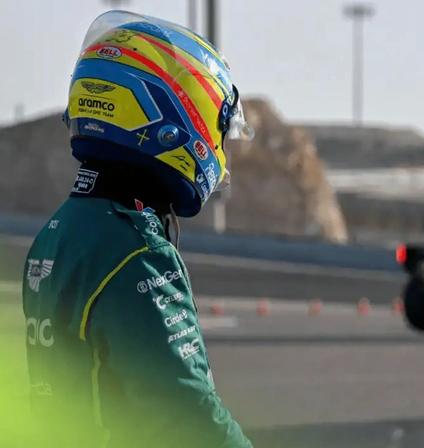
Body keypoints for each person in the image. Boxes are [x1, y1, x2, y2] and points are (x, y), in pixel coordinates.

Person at [23, 11, 253, 447]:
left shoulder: (58, 229)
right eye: (222, 130)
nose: (222, 149)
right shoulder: (136, 250)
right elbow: (189, 415)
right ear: (174, 122)